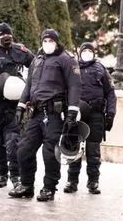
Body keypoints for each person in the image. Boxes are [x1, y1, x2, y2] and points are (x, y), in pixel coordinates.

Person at [9, 29, 82, 202]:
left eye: (50, 40)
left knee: (49, 153)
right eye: (45, 40)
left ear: (57, 42)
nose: (47, 43)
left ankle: (49, 188)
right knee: (24, 150)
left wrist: (72, 112)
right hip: (35, 113)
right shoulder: (37, 59)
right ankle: (27, 186)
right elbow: (29, 85)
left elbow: (74, 86)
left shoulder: (66, 59)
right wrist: (20, 106)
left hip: (54, 114)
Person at [0, 23, 35, 189]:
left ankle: (15, 175)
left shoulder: (20, 51)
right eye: (2, 35)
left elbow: (37, 65)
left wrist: (28, 85)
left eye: (8, 34)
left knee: (13, 141)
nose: (6, 38)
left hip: (14, 103)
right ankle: (1, 174)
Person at [64, 42, 116, 195]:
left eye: (89, 51)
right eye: (84, 51)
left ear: (94, 53)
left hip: (96, 114)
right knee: (74, 148)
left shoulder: (101, 69)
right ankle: (72, 181)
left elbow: (110, 93)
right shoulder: (73, 68)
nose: (87, 53)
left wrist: (110, 113)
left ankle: (93, 181)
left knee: (93, 150)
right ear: (80, 53)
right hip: (77, 113)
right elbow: (65, 90)